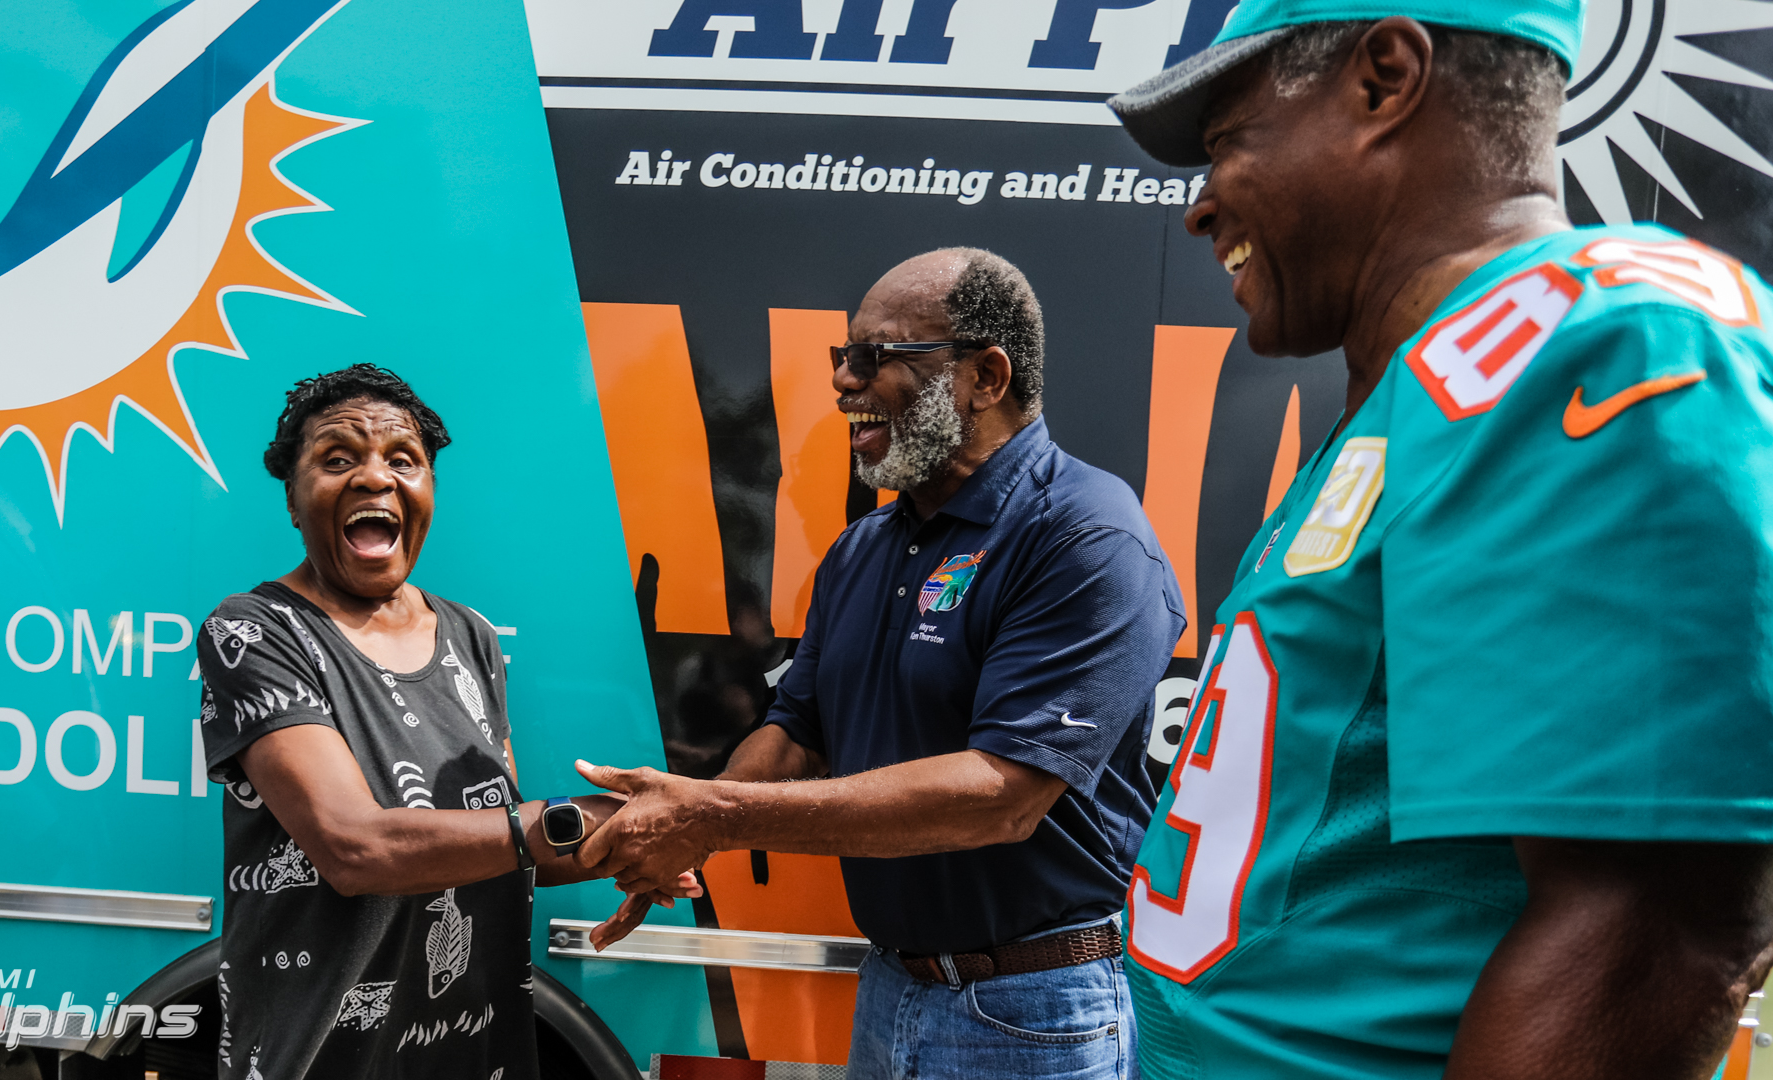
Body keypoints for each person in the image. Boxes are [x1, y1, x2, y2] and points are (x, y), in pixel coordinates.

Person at [1104, 2, 1773, 1078]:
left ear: (1383, 77)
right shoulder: (1425, 382)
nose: (1199, 205)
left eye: (1227, 139)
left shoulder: (1604, 339)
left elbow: (1660, 931)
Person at [575, 248, 1187, 1079]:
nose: (843, 382)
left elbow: (1002, 798)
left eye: (876, 356)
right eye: (843, 357)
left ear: (986, 374)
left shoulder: (1084, 534)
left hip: (1035, 1012)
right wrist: (690, 829)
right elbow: (798, 733)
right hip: (891, 989)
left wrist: (710, 813)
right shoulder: (863, 550)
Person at [196, 364, 695, 1080]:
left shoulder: (469, 637)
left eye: (404, 461)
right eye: (337, 460)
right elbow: (353, 848)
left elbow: (494, 847)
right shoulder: (256, 630)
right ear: (293, 501)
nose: (375, 478)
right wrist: (568, 820)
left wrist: (626, 842)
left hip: (474, 1048)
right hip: (321, 1057)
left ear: (429, 489)